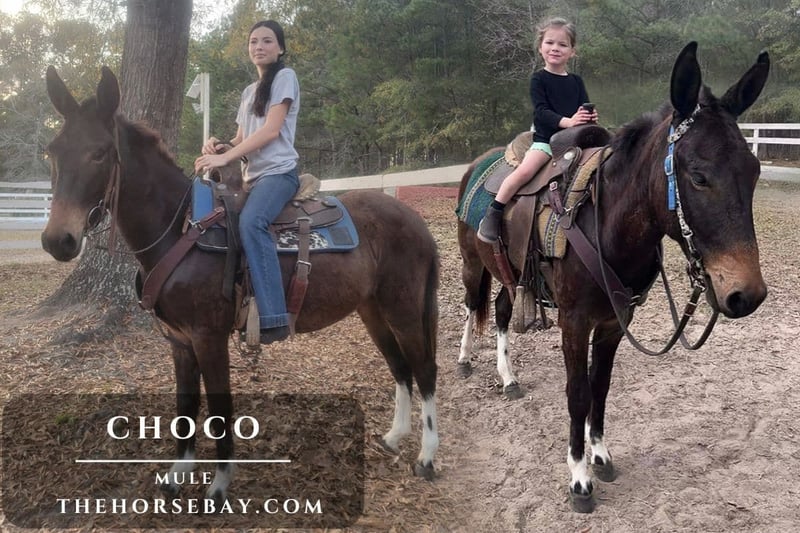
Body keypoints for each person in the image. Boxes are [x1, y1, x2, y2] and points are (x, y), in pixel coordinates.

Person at [194, 20, 299, 345]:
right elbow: (241, 139)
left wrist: (226, 157)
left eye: (267, 41)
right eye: (254, 41)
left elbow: (270, 131)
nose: (259, 47)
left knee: (252, 222)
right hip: (253, 178)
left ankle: (274, 317)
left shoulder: (285, 77)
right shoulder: (249, 92)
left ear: (280, 48)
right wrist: (219, 146)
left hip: (279, 174)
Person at [477, 17, 598, 243]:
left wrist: (588, 117)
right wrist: (568, 122)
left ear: (572, 51)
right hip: (547, 142)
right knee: (524, 172)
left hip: (576, 142)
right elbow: (541, 112)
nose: (555, 48)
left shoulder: (576, 81)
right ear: (540, 47)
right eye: (550, 42)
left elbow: (582, 107)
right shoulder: (539, 79)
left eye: (562, 44)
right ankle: (494, 212)